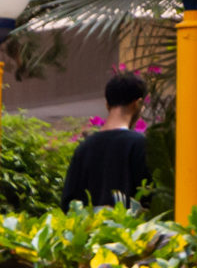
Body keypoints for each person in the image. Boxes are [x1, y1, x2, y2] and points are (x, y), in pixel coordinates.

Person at [62, 71, 151, 210]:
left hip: (89, 230)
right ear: (138, 104)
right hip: (131, 230)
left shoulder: (84, 148)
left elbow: (69, 203)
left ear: (107, 105)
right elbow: (151, 199)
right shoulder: (141, 145)